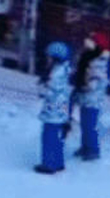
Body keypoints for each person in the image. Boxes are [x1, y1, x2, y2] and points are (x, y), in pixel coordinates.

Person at [72, 32, 110, 161]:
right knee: (84, 124)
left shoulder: (98, 62)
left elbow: (94, 82)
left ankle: (93, 149)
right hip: (86, 98)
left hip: (92, 99)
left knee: (90, 125)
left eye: (91, 42)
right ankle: (85, 146)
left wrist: (85, 86)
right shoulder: (89, 58)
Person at [35, 42, 72, 175]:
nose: (47, 59)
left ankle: (48, 164)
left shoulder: (55, 73)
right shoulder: (64, 69)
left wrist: (42, 86)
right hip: (62, 107)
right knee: (57, 136)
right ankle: (58, 162)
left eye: (49, 56)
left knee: (49, 136)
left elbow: (48, 92)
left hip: (53, 108)